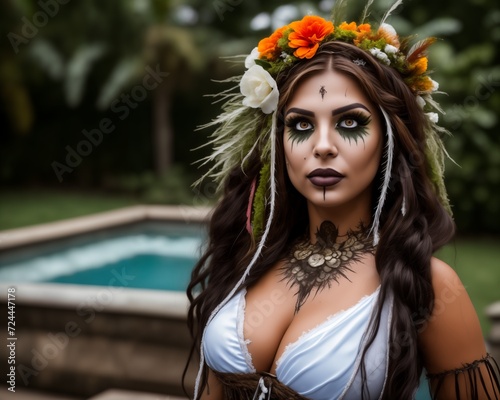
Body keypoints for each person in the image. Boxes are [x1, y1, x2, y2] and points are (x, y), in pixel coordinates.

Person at [185, 2, 500, 399]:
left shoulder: (427, 284)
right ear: (277, 143)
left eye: (349, 122)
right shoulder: (250, 254)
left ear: (389, 140)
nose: (322, 147)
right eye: (301, 124)